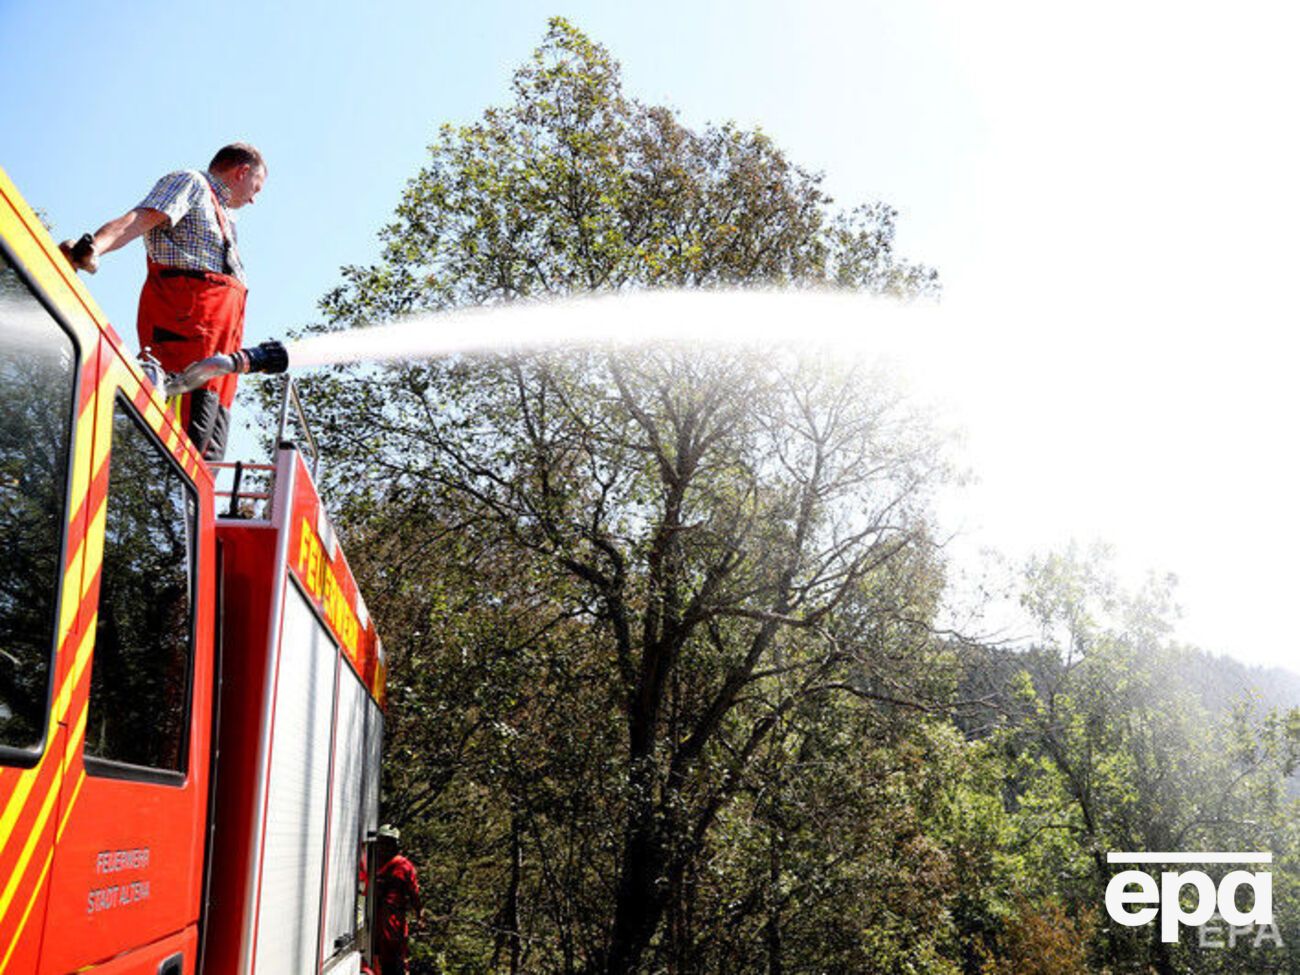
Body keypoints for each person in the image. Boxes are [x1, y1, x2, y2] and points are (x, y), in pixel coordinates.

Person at [60, 143, 267, 460]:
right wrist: (93, 249)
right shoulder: (191, 183)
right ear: (241, 171)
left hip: (218, 359)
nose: (254, 199)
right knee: (175, 451)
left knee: (203, 463)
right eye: (256, 187)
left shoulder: (227, 218)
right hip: (187, 345)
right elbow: (139, 220)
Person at [373, 825, 421, 975]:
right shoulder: (372, 861)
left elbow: (414, 893)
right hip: (373, 919)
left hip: (393, 920)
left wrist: (420, 914)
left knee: (394, 960)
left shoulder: (404, 866)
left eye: (388, 842)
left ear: (395, 845)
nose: (384, 847)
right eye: (381, 842)